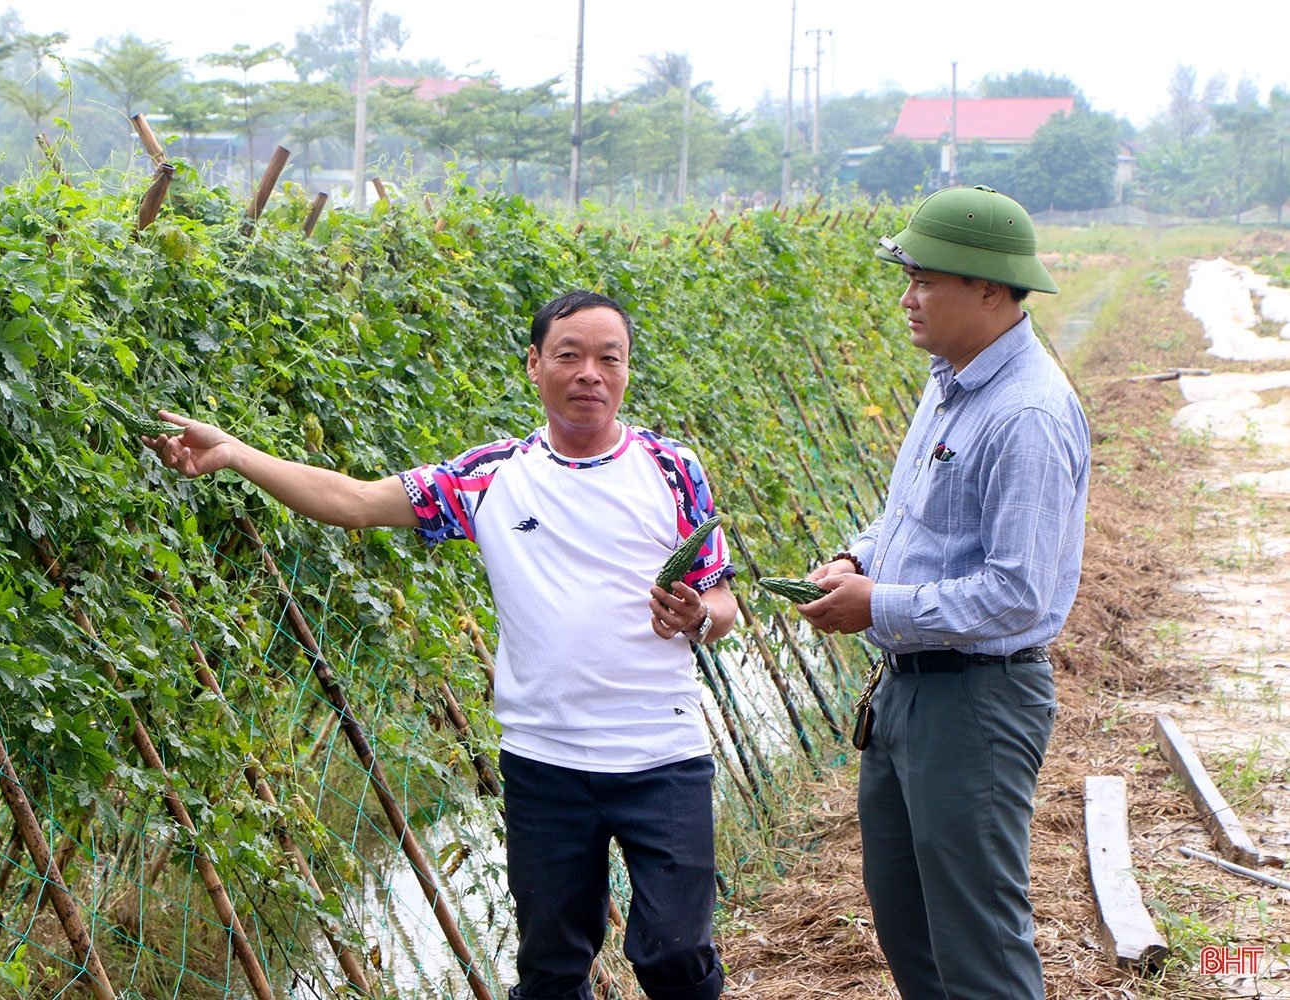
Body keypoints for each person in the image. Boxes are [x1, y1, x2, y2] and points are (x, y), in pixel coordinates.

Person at [143, 289, 737, 1000]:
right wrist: (237, 454)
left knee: (674, 952)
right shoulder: (490, 477)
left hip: (660, 755)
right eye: (569, 355)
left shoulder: (673, 468)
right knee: (550, 968)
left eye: (609, 358)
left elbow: (723, 599)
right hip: (546, 764)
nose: (590, 374)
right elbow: (355, 502)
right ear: (534, 364)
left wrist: (698, 613)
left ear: (628, 370)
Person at [797, 185, 1090, 1000]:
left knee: (979, 947)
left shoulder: (1025, 412)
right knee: (910, 927)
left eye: (926, 279)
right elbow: (921, 520)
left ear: (989, 290)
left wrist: (878, 607)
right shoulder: (950, 381)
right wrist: (858, 561)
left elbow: (1018, 592)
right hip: (910, 695)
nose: (907, 296)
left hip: (976, 704)